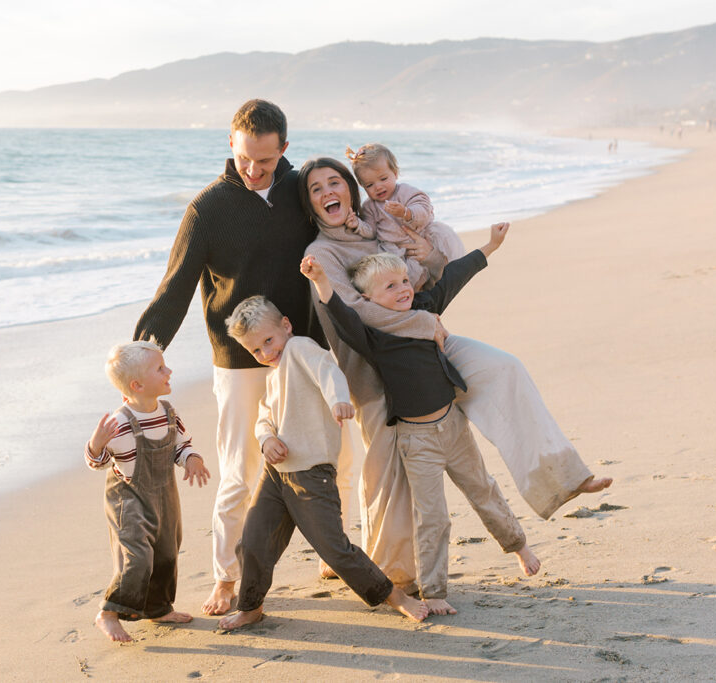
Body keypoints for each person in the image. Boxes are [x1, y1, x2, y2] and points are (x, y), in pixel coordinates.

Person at [299, 157, 611, 588]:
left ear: (351, 189)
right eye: (316, 188)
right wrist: (424, 324)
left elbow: (426, 284)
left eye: (335, 182)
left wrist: (434, 256)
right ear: (309, 203)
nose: (327, 192)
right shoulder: (321, 253)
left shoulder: (374, 225)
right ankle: (390, 571)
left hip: (431, 351)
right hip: (377, 371)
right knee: (386, 478)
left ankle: (564, 477)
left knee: (504, 368)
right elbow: (357, 315)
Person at [134, 100, 347, 616]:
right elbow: (176, 287)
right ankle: (227, 577)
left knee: (325, 459)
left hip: (304, 350)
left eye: (266, 162)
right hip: (238, 359)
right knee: (239, 470)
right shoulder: (207, 209)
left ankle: (333, 554)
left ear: (284, 151)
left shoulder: (302, 192)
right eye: (245, 159)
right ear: (232, 145)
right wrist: (143, 354)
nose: (254, 171)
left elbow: (350, 222)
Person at [302, 226, 540, 615]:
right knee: (432, 517)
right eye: (389, 287)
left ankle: (518, 545)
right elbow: (342, 318)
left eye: (402, 281)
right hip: (417, 441)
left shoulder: (426, 309)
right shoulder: (374, 336)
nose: (402, 290)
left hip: (454, 426)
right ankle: (434, 590)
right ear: (369, 300)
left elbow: (454, 277)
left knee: (484, 489)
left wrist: (490, 247)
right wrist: (322, 280)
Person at [217, 296, 428, 629]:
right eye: (256, 350)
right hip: (275, 476)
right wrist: (267, 439)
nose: (266, 353)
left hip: (311, 473)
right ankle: (251, 606)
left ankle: (394, 596)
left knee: (334, 549)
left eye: (269, 341)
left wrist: (338, 400)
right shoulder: (273, 378)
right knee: (254, 540)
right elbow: (264, 417)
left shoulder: (299, 349)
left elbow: (327, 370)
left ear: (286, 325)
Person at [84, 340, 211, 642]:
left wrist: (192, 458)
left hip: (164, 494)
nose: (169, 370)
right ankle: (110, 612)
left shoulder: (167, 412)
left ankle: (158, 608)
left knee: (167, 550)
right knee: (138, 556)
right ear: (137, 385)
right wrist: (96, 444)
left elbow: (181, 444)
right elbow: (97, 462)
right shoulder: (119, 423)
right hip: (128, 498)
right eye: (160, 368)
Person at [344, 143, 466, 291]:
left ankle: (444, 276)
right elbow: (371, 231)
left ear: (395, 173)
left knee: (444, 241)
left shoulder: (406, 192)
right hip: (395, 248)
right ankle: (415, 292)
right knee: (399, 273)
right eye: (369, 185)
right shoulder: (370, 207)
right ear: (362, 186)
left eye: (383, 179)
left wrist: (406, 213)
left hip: (422, 234)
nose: (378, 187)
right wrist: (357, 224)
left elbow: (423, 208)